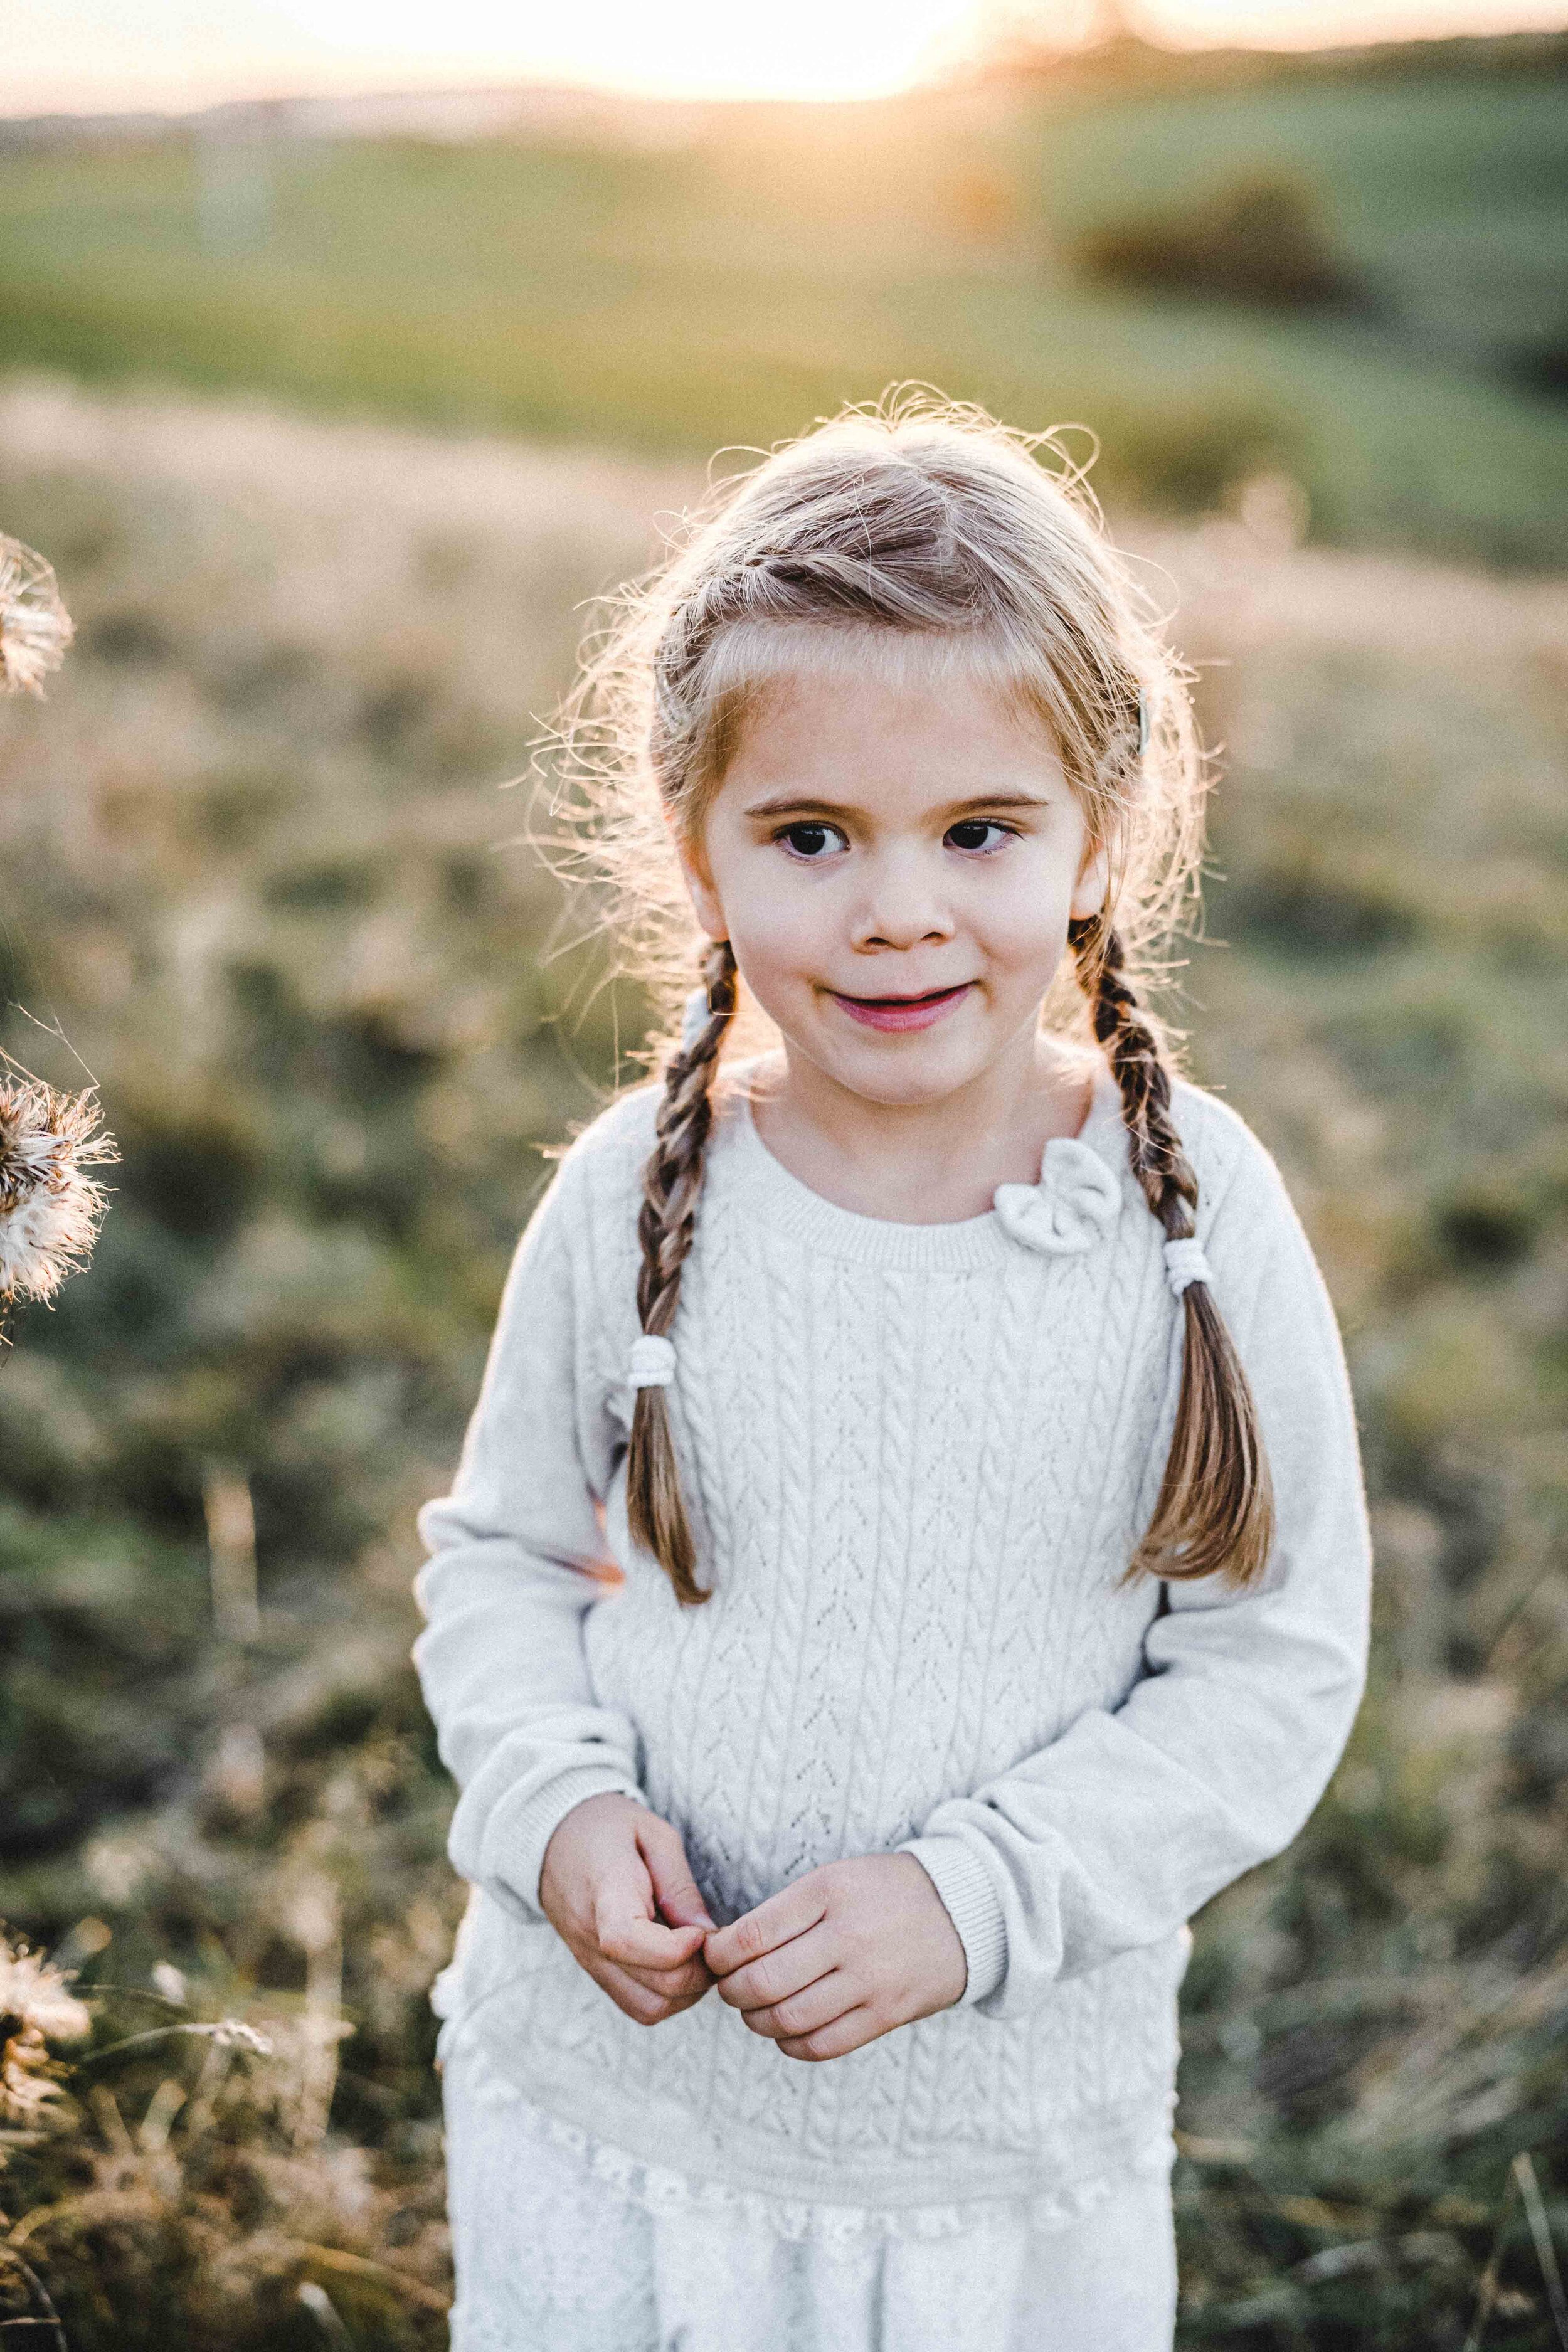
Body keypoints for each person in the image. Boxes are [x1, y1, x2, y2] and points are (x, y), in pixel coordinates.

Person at [412, 391, 1373, 2352]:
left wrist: (979, 1901)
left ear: (1103, 834)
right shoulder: (631, 1198)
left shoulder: (1190, 1223)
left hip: (985, 2158)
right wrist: (549, 1808)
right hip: (619, 2111)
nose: (898, 908)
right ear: (695, 855)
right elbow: (501, 1561)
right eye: (810, 834)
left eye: (978, 831)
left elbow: (1268, 1664)